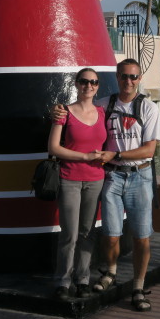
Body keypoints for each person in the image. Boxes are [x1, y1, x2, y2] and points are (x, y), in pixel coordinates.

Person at [52, 58, 160, 311]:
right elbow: (76, 111)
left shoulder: (148, 108)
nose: (129, 81)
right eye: (124, 76)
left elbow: (150, 149)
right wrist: (56, 111)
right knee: (110, 235)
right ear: (116, 77)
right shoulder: (105, 105)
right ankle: (109, 273)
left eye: (133, 77)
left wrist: (116, 155)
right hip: (111, 176)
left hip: (139, 176)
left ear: (139, 78)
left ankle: (138, 286)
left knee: (141, 236)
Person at [48, 68, 106, 300]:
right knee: (69, 234)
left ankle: (82, 279)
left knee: (87, 232)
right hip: (70, 178)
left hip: (96, 180)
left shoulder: (103, 113)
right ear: (76, 83)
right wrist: (84, 157)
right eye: (84, 81)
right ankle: (62, 280)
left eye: (93, 82)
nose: (88, 86)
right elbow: (53, 148)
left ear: (98, 86)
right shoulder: (64, 112)